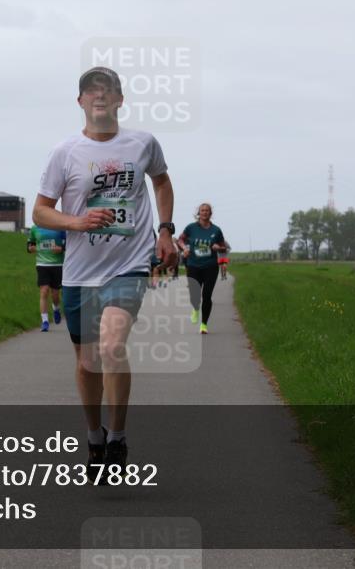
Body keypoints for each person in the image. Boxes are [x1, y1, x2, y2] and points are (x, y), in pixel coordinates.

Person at [33, 66, 176, 481]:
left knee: (112, 346)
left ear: (119, 100)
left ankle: (117, 437)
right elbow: (40, 210)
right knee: (88, 362)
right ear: (80, 101)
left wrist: (165, 230)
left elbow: (162, 182)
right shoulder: (64, 153)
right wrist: (76, 222)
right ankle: (94, 435)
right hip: (80, 272)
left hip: (129, 264)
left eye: (107, 90)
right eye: (91, 91)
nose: (99, 96)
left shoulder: (143, 143)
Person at [177, 203, 228, 334]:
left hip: (210, 267)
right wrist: (184, 248)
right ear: (198, 213)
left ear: (210, 213)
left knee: (207, 296)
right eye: (202, 210)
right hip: (193, 265)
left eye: (207, 210)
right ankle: (195, 309)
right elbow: (180, 240)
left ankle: (204, 324)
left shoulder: (216, 230)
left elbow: (224, 247)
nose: (204, 212)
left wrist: (218, 247)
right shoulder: (191, 228)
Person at [26, 224, 65, 331]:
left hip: (57, 264)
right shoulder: (35, 228)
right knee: (44, 291)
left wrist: (61, 248)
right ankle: (45, 321)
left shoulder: (59, 226)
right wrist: (31, 248)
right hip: (42, 264)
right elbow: (30, 244)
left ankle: (56, 308)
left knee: (55, 294)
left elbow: (67, 244)